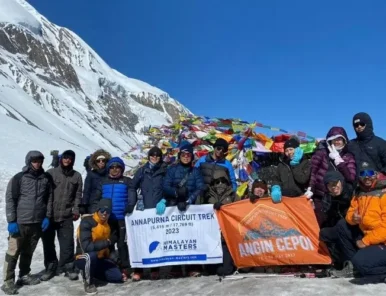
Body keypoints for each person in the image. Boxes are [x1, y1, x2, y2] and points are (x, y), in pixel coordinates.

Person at [1, 151, 53, 295]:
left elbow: (49, 199)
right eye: (35, 160)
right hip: (20, 222)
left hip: (37, 222)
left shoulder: (45, 179)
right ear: (29, 161)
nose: (38, 163)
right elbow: (10, 199)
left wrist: (47, 216)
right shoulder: (19, 178)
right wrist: (12, 220)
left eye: (40, 161)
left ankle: (24, 275)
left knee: (28, 251)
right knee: (13, 252)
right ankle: (7, 281)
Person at [331, 162, 386, 279]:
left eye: (370, 173)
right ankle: (353, 266)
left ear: (376, 175)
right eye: (363, 173)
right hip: (367, 234)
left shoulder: (384, 193)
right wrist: (353, 219)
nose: (367, 177)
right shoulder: (359, 191)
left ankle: (371, 269)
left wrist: (366, 241)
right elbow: (350, 212)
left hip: (381, 240)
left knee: (361, 263)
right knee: (342, 225)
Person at [163, 142, 205, 277]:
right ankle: (175, 266)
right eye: (183, 154)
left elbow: (200, 187)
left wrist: (188, 200)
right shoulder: (172, 170)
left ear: (192, 157)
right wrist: (177, 193)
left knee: (191, 237)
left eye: (188, 155)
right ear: (179, 155)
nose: (186, 157)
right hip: (174, 206)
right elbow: (165, 186)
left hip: (190, 207)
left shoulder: (196, 171)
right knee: (175, 237)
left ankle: (192, 266)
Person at [41, 150, 82, 281]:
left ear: (73, 161)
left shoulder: (77, 176)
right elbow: (43, 194)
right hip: (49, 216)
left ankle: (68, 268)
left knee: (67, 244)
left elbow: (78, 195)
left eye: (70, 158)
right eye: (65, 157)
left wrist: (76, 210)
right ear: (61, 159)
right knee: (48, 244)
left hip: (66, 215)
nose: (67, 160)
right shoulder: (51, 173)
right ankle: (50, 267)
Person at [127, 146, 168, 281]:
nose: (155, 158)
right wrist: (133, 203)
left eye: (157, 156)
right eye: (152, 155)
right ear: (149, 156)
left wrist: (164, 200)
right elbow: (133, 186)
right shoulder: (142, 170)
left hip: (158, 210)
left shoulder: (164, 170)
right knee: (141, 239)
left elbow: (169, 187)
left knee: (155, 240)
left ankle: (154, 269)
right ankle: (138, 269)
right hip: (143, 210)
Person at [93, 157, 131, 281]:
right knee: (108, 243)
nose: (115, 170)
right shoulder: (103, 182)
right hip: (106, 218)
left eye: (118, 167)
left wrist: (129, 206)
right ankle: (109, 266)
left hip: (121, 218)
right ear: (109, 169)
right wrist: (96, 211)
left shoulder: (126, 181)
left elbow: (132, 197)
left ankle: (125, 267)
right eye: (112, 167)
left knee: (121, 243)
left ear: (122, 169)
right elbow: (96, 198)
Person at [309, 127, 356, 225]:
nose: (336, 142)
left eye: (339, 139)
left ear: (344, 140)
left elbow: (350, 177)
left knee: (339, 225)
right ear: (329, 141)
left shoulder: (348, 156)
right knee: (321, 224)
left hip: (340, 199)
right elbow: (312, 172)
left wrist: (339, 161)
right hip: (321, 197)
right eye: (333, 139)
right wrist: (310, 189)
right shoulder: (321, 153)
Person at [75, 199, 123, 294]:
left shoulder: (107, 226)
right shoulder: (87, 222)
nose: (104, 213)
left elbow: (108, 249)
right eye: (102, 210)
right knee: (91, 256)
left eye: (108, 211)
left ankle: (91, 272)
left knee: (117, 277)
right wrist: (108, 242)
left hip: (99, 259)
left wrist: (115, 261)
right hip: (83, 257)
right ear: (97, 210)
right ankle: (88, 282)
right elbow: (86, 247)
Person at [319, 171, 353, 270]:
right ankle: (339, 262)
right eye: (329, 185)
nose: (333, 187)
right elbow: (328, 217)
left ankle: (352, 261)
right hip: (340, 228)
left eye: (335, 183)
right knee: (324, 232)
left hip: (354, 228)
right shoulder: (328, 197)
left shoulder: (352, 193)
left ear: (341, 182)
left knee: (341, 225)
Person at [208, 169, 237, 276]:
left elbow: (240, 212)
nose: (220, 184)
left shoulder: (233, 195)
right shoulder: (207, 196)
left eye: (223, 181)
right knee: (209, 270)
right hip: (211, 239)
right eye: (217, 182)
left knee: (226, 270)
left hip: (226, 239)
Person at [271, 137, 311, 203]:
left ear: (297, 149)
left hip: (300, 198)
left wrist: (295, 165)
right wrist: (275, 187)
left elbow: (303, 180)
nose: (289, 152)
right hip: (284, 198)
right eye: (286, 151)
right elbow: (276, 179)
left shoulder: (305, 162)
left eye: (291, 149)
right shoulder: (281, 165)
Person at [81, 149, 111, 215]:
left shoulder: (110, 174)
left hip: (107, 205)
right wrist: (84, 205)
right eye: (98, 161)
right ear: (95, 162)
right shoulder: (91, 174)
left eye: (103, 160)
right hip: (92, 206)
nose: (101, 162)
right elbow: (86, 191)